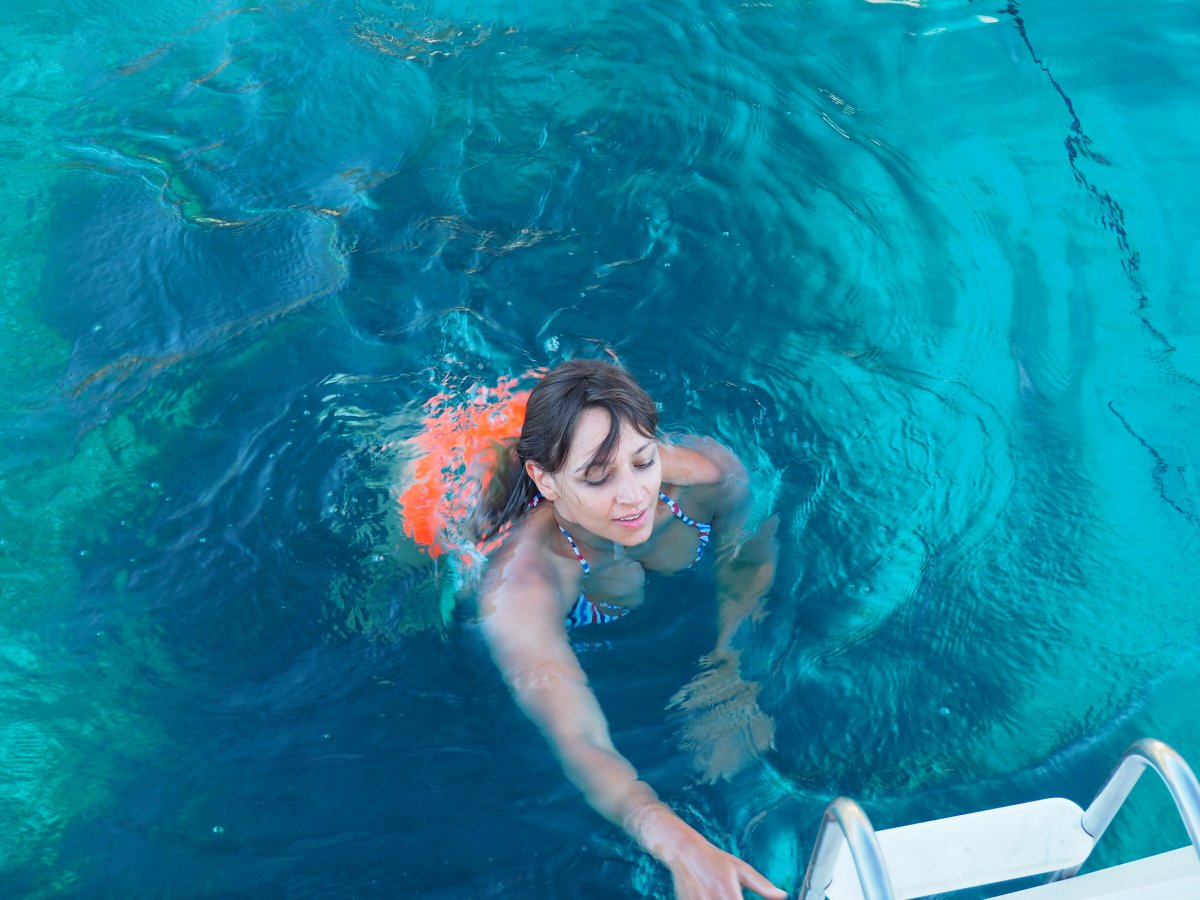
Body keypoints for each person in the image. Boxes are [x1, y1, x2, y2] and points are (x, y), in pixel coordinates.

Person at [469, 358, 786, 900]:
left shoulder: (711, 478)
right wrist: (678, 843)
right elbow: (580, 737)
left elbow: (748, 559)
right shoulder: (522, 587)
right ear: (545, 480)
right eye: (597, 479)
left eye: (644, 461)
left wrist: (729, 668)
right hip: (458, 466)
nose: (634, 496)